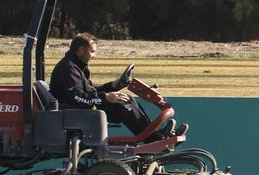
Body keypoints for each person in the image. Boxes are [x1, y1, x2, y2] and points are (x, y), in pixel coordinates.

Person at [49, 32, 178, 141]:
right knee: (122, 104)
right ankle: (153, 139)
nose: (94, 56)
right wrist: (106, 97)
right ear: (82, 50)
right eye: (92, 52)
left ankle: (155, 134)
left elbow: (90, 91)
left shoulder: (77, 66)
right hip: (74, 111)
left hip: (81, 107)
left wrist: (113, 86)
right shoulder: (68, 69)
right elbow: (78, 97)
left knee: (127, 99)